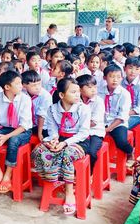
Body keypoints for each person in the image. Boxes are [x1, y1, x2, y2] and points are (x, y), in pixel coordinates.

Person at [32, 78, 91, 216]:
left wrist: (64, 143)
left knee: (67, 154)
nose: (78, 95)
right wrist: (53, 140)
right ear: (61, 95)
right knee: (39, 150)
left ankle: (69, 192)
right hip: (60, 138)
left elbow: (84, 133)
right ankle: (52, 179)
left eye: (78, 92)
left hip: (79, 141)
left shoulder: (84, 109)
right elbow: (52, 129)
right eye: (73, 92)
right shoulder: (52, 109)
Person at [0, 70, 33, 194]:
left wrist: (6, 137)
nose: (21, 86)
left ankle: (7, 175)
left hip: (21, 130)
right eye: (18, 83)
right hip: (3, 128)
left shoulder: (25, 99)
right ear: (7, 87)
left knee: (14, 140)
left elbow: (25, 125)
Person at [99, 64, 133, 163]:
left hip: (117, 123)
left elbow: (122, 116)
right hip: (101, 121)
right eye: (111, 76)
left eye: (118, 77)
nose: (115, 80)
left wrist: (108, 129)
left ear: (122, 78)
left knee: (121, 141)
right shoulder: (99, 92)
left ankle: (130, 151)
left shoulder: (124, 94)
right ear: (105, 77)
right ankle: (100, 162)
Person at [77, 74, 105, 168]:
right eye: (89, 87)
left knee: (91, 152)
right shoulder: (76, 100)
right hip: (78, 131)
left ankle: (90, 173)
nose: (94, 90)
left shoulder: (98, 101)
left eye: (95, 87)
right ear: (80, 90)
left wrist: (76, 126)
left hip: (94, 131)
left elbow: (93, 123)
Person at [22, 70, 52, 141]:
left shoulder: (45, 96)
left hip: (43, 126)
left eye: (39, 84)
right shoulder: (21, 93)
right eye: (33, 85)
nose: (37, 87)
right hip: (27, 125)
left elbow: (41, 116)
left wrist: (39, 133)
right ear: (24, 86)